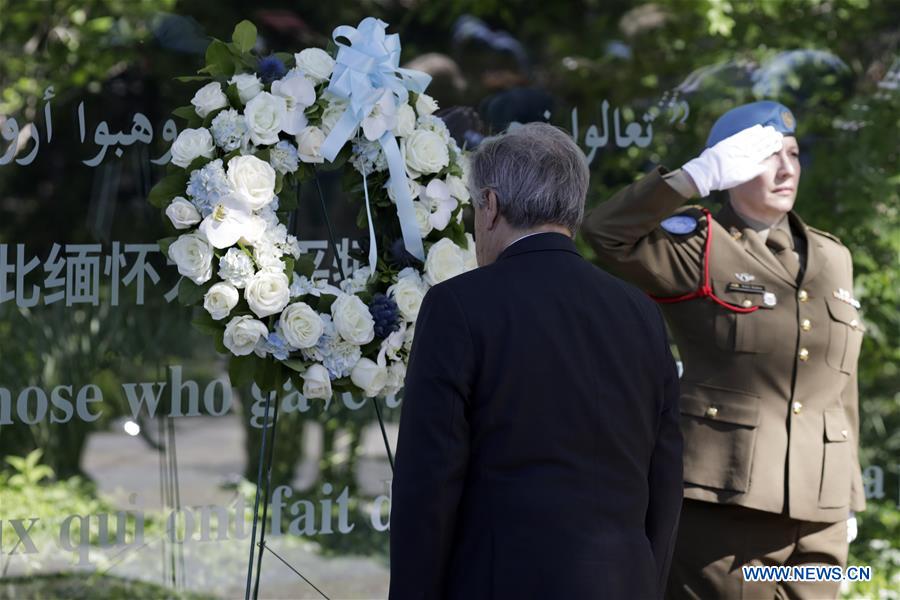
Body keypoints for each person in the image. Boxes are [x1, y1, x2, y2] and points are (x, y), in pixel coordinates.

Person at [581, 101, 866, 599]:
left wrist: (849, 496)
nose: (786, 169)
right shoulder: (698, 244)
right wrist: (694, 177)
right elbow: (605, 233)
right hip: (726, 504)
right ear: (730, 167)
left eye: (793, 154)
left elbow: (842, 388)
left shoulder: (832, 256)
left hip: (820, 512)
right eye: (767, 156)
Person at [389, 122, 683, 599]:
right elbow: (665, 478)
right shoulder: (640, 312)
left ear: (490, 205)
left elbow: (429, 485)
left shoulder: (458, 306)